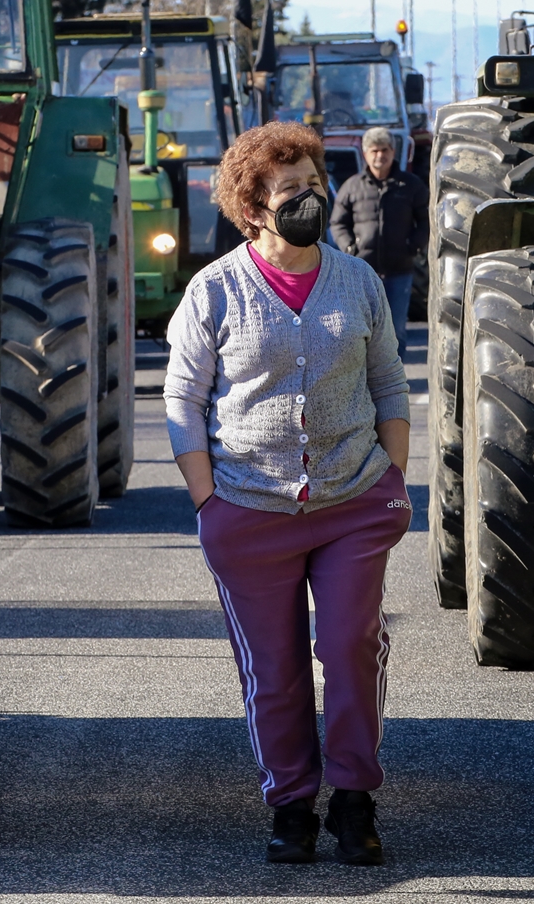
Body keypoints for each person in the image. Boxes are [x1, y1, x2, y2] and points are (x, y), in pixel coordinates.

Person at [164, 121, 411, 867]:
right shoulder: (215, 290)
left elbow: (390, 383)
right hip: (247, 508)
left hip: (352, 502)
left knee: (349, 645)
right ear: (254, 206)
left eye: (313, 181)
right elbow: (182, 398)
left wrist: (394, 480)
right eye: (290, 188)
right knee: (272, 671)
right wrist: (208, 501)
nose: (309, 196)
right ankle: (292, 805)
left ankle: (355, 800)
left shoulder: (358, 281)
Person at [328, 127, 427, 359]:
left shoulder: (411, 186)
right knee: (360, 329)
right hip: (362, 273)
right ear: (365, 153)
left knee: (396, 331)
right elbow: (338, 223)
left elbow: (425, 220)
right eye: (374, 151)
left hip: (399, 272)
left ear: (393, 151)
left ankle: (395, 386)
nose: (379, 156)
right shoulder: (352, 187)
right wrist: (350, 249)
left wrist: (412, 246)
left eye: (384, 150)